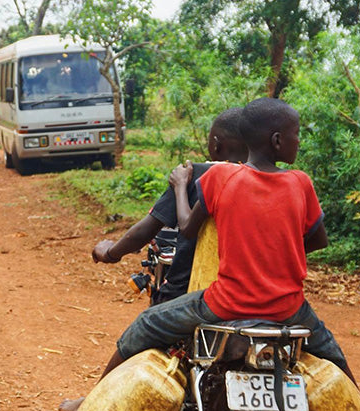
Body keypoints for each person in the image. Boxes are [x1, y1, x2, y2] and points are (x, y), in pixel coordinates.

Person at [78, 98, 356, 411]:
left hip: (223, 305)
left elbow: (185, 227)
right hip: (287, 308)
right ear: (278, 141)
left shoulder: (213, 179)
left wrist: (177, 185)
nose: (298, 141)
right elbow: (317, 239)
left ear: (215, 145)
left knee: (142, 330)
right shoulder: (301, 183)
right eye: (297, 135)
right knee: (331, 356)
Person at [89, 107, 248, 303]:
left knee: (143, 329)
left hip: (192, 291)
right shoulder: (271, 180)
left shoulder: (196, 175)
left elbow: (145, 230)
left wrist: (110, 253)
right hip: (254, 291)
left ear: (215, 145)